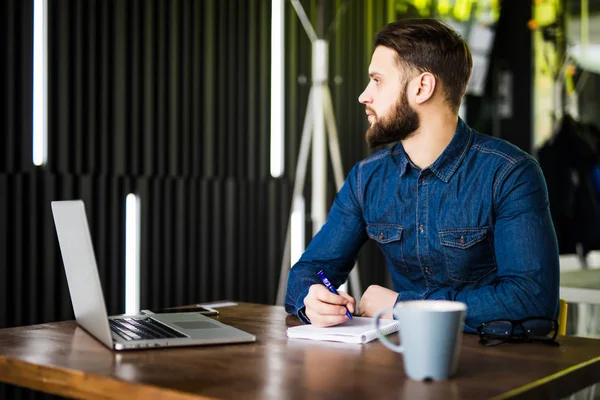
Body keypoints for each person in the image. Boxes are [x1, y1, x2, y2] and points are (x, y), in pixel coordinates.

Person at [284, 18, 559, 333]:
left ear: (422, 87)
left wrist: (405, 307)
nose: (363, 95)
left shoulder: (510, 173)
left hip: (493, 366)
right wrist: (312, 299)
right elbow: (308, 272)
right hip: (401, 362)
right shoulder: (367, 178)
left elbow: (532, 302)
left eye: (377, 80)